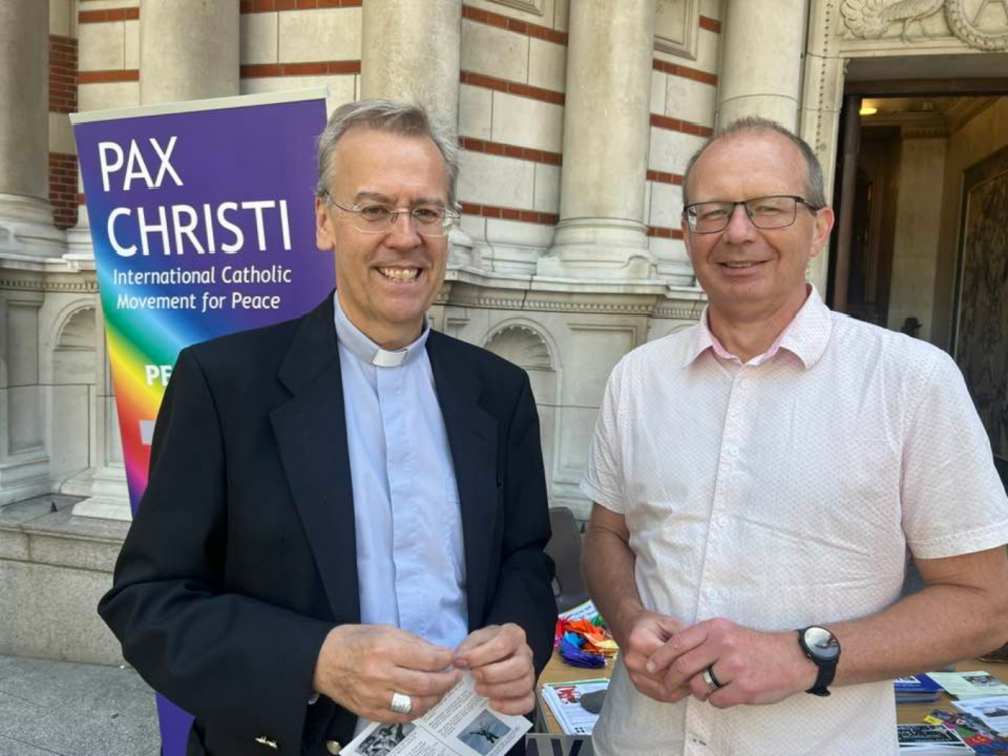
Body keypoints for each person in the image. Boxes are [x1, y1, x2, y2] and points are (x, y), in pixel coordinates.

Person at [99, 100, 556, 756]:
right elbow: (148, 605)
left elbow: (525, 559)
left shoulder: (498, 390)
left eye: (426, 211)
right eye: (374, 209)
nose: (406, 236)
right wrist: (317, 659)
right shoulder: (224, 384)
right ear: (323, 221)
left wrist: (522, 635)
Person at [580, 117, 1008, 755]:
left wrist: (805, 656)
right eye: (712, 211)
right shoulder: (638, 378)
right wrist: (629, 618)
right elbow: (606, 534)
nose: (739, 232)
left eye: (770, 208)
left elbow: (987, 602)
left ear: (820, 227)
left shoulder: (911, 381)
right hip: (637, 740)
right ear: (687, 231)